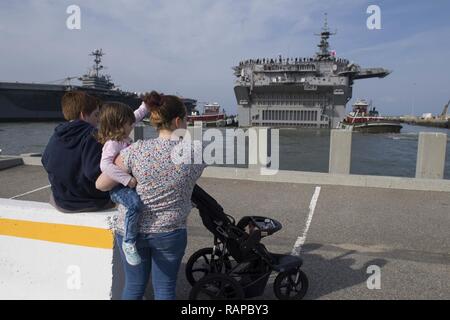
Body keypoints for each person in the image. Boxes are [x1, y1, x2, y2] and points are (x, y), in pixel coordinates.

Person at [96, 91, 206, 300]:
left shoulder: (135, 151)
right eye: (185, 119)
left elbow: (101, 184)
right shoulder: (196, 152)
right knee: (165, 289)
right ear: (177, 120)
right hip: (170, 231)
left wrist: (128, 177)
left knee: (134, 287)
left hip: (131, 231)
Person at [97, 101, 149, 266]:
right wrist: (127, 180)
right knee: (134, 205)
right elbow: (105, 165)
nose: (133, 124)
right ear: (119, 124)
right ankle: (129, 242)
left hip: (126, 182)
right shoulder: (112, 144)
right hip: (118, 187)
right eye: (129, 123)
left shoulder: (123, 137)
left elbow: (136, 115)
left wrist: (146, 105)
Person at [42, 91, 113, 212]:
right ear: (83, 115)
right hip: (90, 202)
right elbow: (93, 173)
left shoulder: (57, 134)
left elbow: (45, 160)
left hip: (61, 201)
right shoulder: (92, 135)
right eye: (96, 115)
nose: (98, 121)